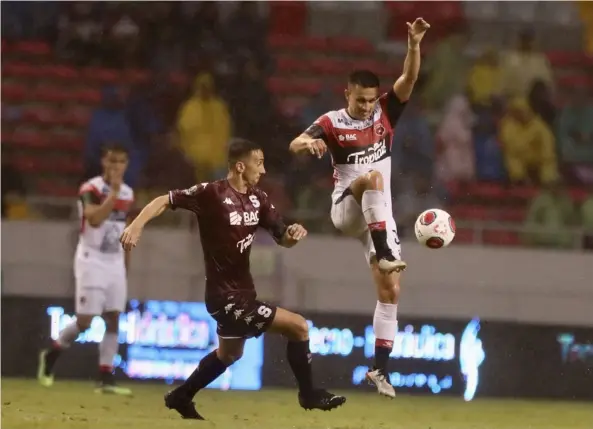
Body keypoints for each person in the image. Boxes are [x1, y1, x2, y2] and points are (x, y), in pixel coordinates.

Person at [120, 139, 346, 420]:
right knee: (299, 327)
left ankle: (181, 395)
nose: (263, 171)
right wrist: (136, 225)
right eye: (259, 163)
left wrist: (293, 234)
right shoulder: (210, 193)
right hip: (224, 297)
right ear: (241, 166)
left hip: (243, 292)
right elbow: (162, 200)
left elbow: (283, 238)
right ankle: (309, 394)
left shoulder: (258, 199)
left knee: (229, 355)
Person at [288, 18, 430, 398]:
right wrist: (311, 145)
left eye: (371, 100)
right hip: (346, 210)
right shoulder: (331, 122)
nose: (367, 107)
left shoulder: (385, 113)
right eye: (360, 100)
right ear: (346, 93)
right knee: (373, 179)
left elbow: (409, 80)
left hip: (377, 217)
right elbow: (295, 144)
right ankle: (384, 252)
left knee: (391, 291)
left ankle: (378, 371)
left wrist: (413, 45)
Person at [38, 144, 134, 395]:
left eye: (121, 162)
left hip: (114, 261)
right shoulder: (90, 189)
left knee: (113, 317)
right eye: (111, 162)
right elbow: (93, 218)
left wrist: (125, 264)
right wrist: (112, 196)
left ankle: (105, 377)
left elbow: (125, 228)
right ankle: (52, 353)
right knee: (86, 321)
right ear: (103, 162)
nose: (116, 167)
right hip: (91, 259)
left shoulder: (128, 193)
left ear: (126, 165)